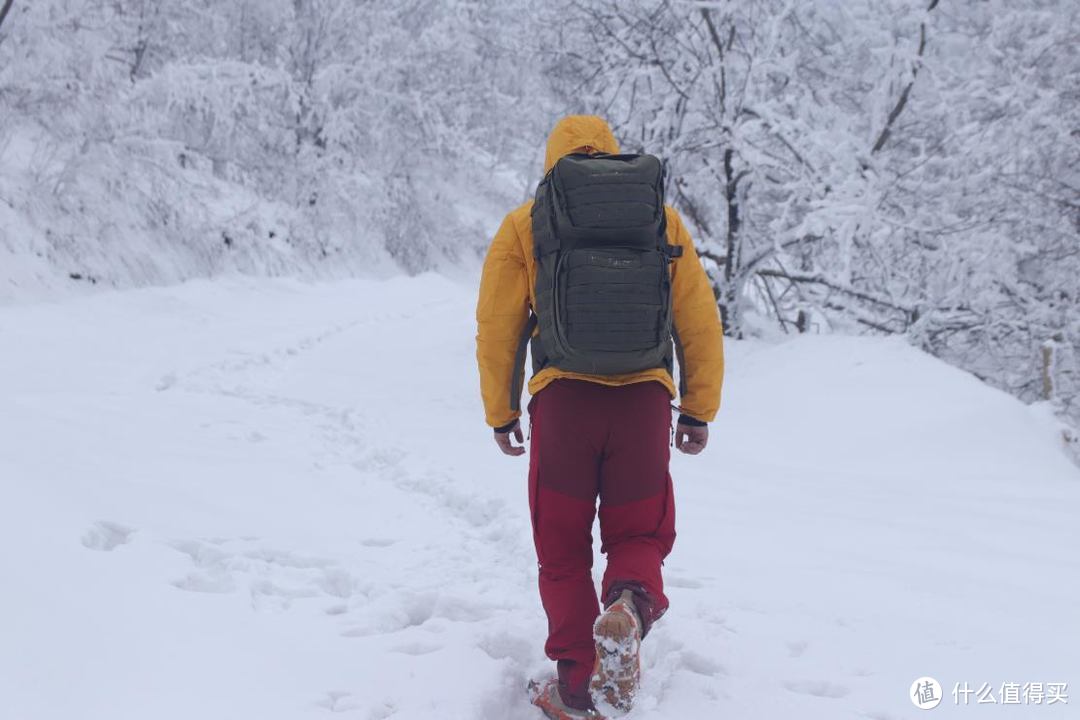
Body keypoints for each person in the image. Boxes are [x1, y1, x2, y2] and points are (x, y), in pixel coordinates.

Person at [475, 115, 724, 719]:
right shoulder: (659, 220)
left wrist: (501, 413)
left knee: (562, 550)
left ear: (552, 164)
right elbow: (698, 319)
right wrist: (698, 409)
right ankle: (630, 607)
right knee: (638, 533)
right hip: (642, 405)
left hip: (564, 407)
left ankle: (578, 686)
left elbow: (497, 328)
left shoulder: (525, 224)